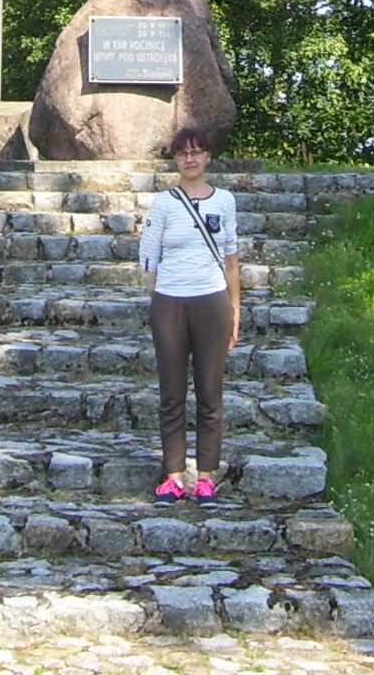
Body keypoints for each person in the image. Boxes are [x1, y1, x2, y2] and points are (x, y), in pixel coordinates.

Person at [137, 124, 241, 502]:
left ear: (208, 156)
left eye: (197, 151)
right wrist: (159, 295)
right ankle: (174, 474)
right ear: (176, 159)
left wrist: (235, 311)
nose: (190, 158)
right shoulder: (164, 203)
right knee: (172, 392)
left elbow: (231, 260)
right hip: (170, 302)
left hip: (211, 301)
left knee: (210, 393)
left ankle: (207, 475)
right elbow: (148, 258)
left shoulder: (224, 201)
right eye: (183, 153)